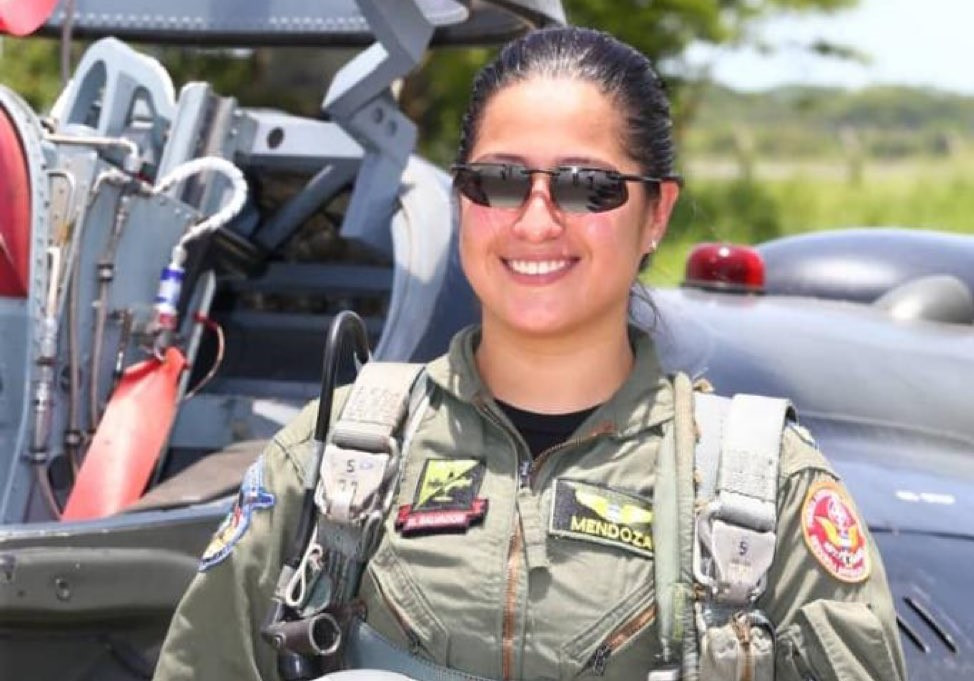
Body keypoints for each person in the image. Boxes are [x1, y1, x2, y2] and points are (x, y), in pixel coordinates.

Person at [153, 26, 907, 681]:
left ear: (656, 214)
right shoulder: (332, 464)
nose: (537, 220)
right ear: (462, 200)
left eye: (588, 187)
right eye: (500, 181)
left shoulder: (758, 491)